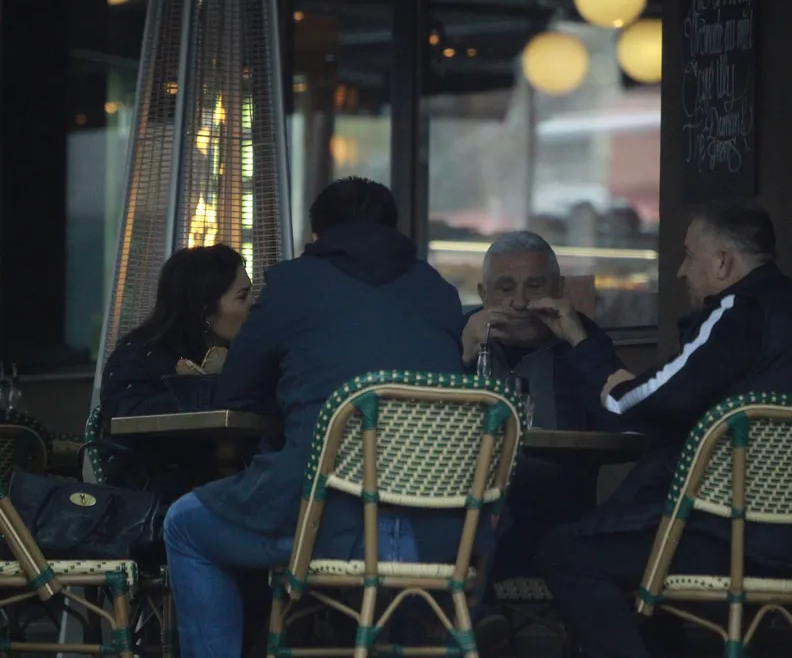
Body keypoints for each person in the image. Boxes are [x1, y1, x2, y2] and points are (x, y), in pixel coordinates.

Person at [162, 177, 478, 658]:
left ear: (317, 237)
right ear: (395, 232)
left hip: (327, 521)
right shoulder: (438, 292)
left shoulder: (292, 283)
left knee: (184, 524)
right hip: (439, 531)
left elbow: (237, 393)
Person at [528, 199, 792, 658]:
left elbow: (646, 401)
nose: (681, 271)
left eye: (688, 255)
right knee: (628, 547)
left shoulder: (740, 309)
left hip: (726, 539)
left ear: (722, 262)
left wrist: (598, 367)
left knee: (566, 550)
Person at [460, 231, 620, 652]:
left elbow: (622, 420)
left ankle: (475, 624)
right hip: (463, 515)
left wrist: (579, 341)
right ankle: (477, 623)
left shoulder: (582, 340)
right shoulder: (460, 334)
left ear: (559, 290)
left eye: (535, 286)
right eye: (505, 287)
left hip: (553, 519)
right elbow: (417, 425)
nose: (519, 302)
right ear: (483, 294)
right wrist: (461, 356)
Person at [98, 244, 252, 497]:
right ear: (205, 307)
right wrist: (193, 391)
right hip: (154, 495)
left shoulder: (242, 354)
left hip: (233, 488)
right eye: (243, 296)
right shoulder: (139, 355)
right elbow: (124, 417)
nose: (253, 306)